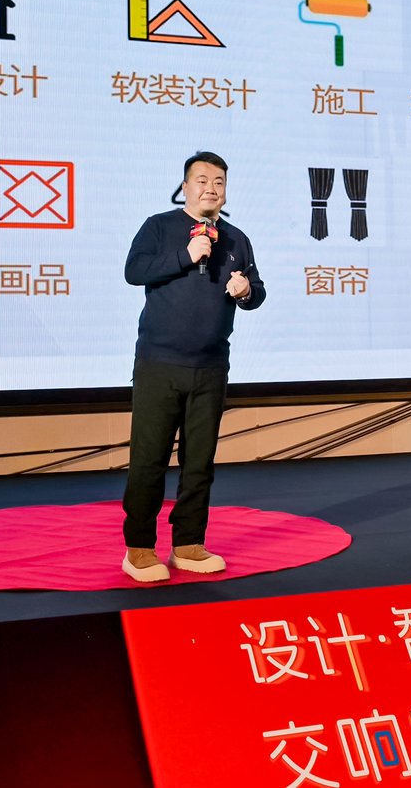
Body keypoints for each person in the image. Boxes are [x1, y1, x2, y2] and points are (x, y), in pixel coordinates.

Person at [121, 151, 266, 583]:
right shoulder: (159, 227)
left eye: (219, 181)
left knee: (199, 462)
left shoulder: (236, 239)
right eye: (201, 180)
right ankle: (139, 548)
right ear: (185, 187)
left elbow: (258, 291)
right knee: (149, 459)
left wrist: (245, 290)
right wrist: (186, 255)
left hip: (211, 367)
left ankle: (188, 543)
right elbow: (134, 271)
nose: (211, 188)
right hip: (159, 364)